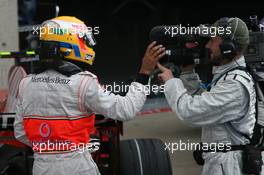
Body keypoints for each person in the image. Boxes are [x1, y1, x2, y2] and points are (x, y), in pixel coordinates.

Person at [14, 16, 165, 175]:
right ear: (69, 42)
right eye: (84, 40)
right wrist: (145, 72)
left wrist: (49, 148)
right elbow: (126, 110)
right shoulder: (83, 83)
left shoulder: (25, 84)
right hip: (78, 167)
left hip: (41, 168)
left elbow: (20, 131)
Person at [157, 17, 256, 175]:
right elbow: (203, 102)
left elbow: (191, 112)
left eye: (212, 40)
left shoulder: (234, 85)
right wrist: (188, 72)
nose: (208, 45)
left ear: (228, 47)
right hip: (221, 162)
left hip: (229, 167)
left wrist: (171, 82)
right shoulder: (227, 76)